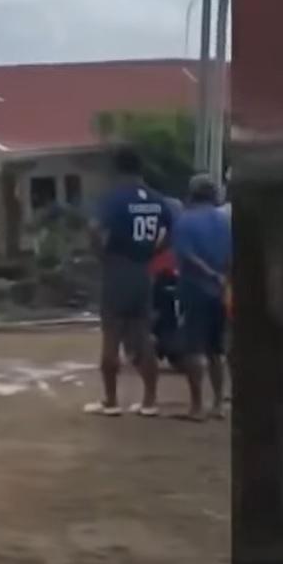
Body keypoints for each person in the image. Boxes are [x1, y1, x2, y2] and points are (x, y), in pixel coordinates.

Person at [84, 146, 172, 417]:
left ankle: (111, 401)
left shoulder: (113, 199)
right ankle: (149, 402)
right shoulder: (159, 201)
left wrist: (101, 254)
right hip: (143, 271)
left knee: (112, 334)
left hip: (118, 269)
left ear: (117, 170)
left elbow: (94, 229)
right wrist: (151, 253)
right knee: (143, 336)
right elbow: (167, 234)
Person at [171, 173, 233, 422]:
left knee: (193, 348)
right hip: (219, 291)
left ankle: (196, 405)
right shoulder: (223, 221)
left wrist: (210, 274)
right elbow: (231, 256)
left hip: (194, 288)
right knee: (216, 350)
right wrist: (223, 278)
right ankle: (218, 403)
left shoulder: (184, 221)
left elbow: (186, 256)